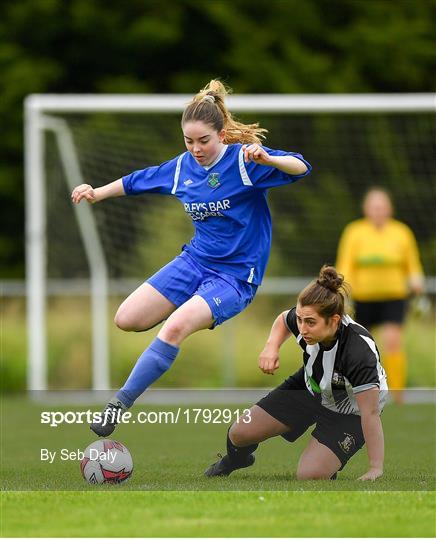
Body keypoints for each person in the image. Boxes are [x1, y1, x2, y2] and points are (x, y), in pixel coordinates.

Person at [71, 79, 312, 436]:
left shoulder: (245, 162)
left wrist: (267, 156)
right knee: (127, 318)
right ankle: (175, 328)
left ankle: (118, 405)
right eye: (189, 141)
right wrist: (96, 192)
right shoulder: (182, 168)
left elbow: (301, 166)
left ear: (221, 134)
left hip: (234, 278)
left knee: (175, 327)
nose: (196, 149)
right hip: (194, 262)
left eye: (204, 141)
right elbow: (139, 180)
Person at [205, 265, 388, 481]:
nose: (302, 328)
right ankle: (235, 460)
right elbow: (284, 318)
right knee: (239, 433)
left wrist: (375, 467)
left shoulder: (357, 352)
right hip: (310, 387)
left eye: (310, 322)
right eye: (300, 319)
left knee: (310, 475)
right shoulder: (304, 321)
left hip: (349, 411)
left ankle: (328, 463)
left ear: (335, 320)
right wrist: (271, 347)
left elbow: (370, 413)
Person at [336, 188, 424, 404]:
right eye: (374, 207)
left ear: (390, 209)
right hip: (363, 299)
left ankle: (397, 395)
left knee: (393, 342)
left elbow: (412, 264)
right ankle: (362, 392)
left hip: (394, 297)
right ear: (366, 209)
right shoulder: (354, 231)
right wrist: (341, 290)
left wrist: (416, 279)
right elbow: (345, 263)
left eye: (382, 206)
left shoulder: (401, 232)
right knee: (362, 347)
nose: (378, 211)